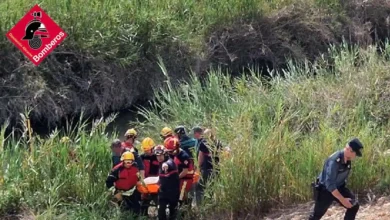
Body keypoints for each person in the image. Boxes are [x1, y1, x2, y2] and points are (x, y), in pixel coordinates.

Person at [309, 138, 363, 220]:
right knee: (316, 216)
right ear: (349, 150)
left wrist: (345, 197)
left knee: (353, 205)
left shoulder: (347, 159)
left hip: (339, 187)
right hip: (325, 190)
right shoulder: (334, 161)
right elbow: (330, 184)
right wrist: (343, 200)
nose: (356, 156)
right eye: (356, 153)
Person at [106, 151, 142, 215]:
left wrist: (139, 181)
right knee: (123, 211)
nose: (129, 164)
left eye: (131, 162)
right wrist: (115, 193)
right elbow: (108, 182)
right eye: (127, 162)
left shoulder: (135, 166)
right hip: (121, 193)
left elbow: (138, 175)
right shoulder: (117, 170)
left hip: (132, 191)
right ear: (123, 161)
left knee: (137, 209)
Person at [164, 136, 195, 206]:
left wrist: (175, 178)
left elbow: (185, 171)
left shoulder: (184, 156)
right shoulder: (174, 154)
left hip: (186, 179)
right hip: (180, 178)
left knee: (181, 197)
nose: (170, 153)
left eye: (171, 151)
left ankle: (184, 211)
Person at [154, 145, 180, 220]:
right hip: (163, 191)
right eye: (157, 156)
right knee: (161, 210)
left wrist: (166, 165)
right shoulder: (160, 163)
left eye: (161, 155)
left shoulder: (169, 162)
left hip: (173, 192)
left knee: (173, 213)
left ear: (165, 154)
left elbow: (169, 163)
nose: (159, 157)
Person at [192, 126, 213, 206]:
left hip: (206, 169)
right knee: (211, 187)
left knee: (199, 188)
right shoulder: (217, 143)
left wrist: (196, 167)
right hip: (216, 170)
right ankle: (210, 204)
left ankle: (200, 206)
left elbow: (200, 159)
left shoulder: (203, 143)